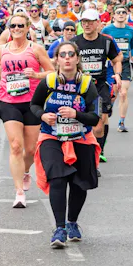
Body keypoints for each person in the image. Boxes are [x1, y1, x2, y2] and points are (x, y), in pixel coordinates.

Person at [31, 41, 100, 248]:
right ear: (57, 59)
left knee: (79, 183)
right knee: (58, 178)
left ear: (77, 59)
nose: (67, 58)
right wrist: (43, 115)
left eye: (71, 54)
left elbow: (95, 117)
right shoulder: (49, 81)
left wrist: (75, 114)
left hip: (80, 137)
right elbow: (34, 105)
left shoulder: (87, 84)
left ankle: (72, 223)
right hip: (52, 137)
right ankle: (59, 228)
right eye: (63, 54)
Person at [0, 13, 54, 207]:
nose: (16, 29)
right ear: (8, 28)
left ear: (27, 28)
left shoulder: (36, 49)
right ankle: (19, 192)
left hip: (32, 102)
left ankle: (25, 172)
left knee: (30, 149)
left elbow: (52, 72)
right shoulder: (1, 50)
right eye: (13, 25)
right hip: (9, 101)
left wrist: (37, 74)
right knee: (16, 145)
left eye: (20, 26)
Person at [71, 8, 121, 166]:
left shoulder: (106, 41)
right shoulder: (74, 42)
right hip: (80, 87)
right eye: (83, 22)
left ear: (97, 23)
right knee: (79, 121)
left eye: (90, 22)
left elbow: (117, 58)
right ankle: (90, 158)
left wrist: (117, 74)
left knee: (99, 125)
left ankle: (98, 151)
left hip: (100, 87)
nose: (86, 25)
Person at [102, 5, 133, 133]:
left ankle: (121, 122)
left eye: (124, 12)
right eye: (119, 12)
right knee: (113, 93)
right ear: (114, 15)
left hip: (124, 63)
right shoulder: (107, 29)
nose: (121, 14)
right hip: (111, 64)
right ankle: (109, 106)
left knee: (123, 93)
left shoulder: (130, 30)